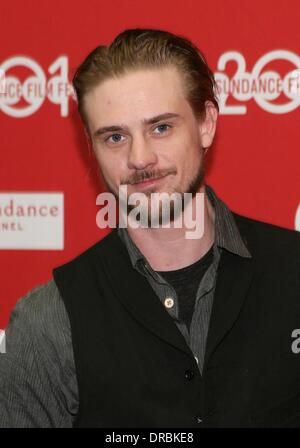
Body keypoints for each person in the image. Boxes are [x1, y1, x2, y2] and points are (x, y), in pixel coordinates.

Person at [0, 28, 299, 428]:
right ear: (92, 147)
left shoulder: (293, 271)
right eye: (115, 136)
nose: (139, 158)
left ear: (206, 123)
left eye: (161, 128)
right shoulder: (48, 319)